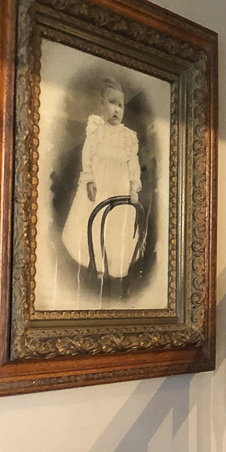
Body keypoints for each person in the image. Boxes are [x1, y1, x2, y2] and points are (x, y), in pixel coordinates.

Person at [61, 77, 142, 294]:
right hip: (100, 185)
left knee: (117, 225)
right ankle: (95, 263)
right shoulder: (96, 130)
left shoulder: (128, 137)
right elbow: (87, 156)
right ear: (102, 105)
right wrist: (89, 179)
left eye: (120, 104)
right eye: (112, 102)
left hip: (120, 186)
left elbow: (132, 163)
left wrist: (134, 185)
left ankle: (115, 268)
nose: (116, 109)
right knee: (95, 221)